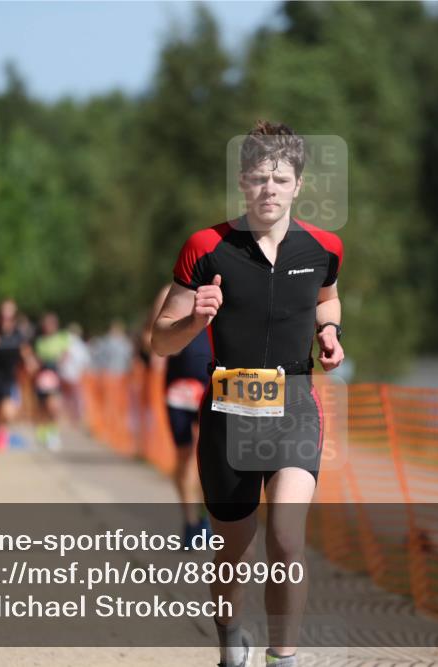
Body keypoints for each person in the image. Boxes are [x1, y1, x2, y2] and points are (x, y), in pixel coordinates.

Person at [152, 121, 344, 667]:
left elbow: (327, 300)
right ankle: (231, 637)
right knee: (235, 553)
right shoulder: (206, 247)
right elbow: (160, 341)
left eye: (280, 178)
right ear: (242, 181)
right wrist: (194, 320)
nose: (269, 189)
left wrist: (330, 333)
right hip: (228, 414)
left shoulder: (323, 247)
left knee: (287, 537)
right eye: (259, 178)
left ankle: (282, 657)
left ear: (298, 184)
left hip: (294, 407)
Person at [146, 284, 213, 545]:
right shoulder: (168, 293)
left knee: (211, 456)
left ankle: (207, 517)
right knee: (184, 456)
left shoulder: (226, 284)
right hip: (178, 386)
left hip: (213, 383)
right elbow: (153, 338)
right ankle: (191, 523)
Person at [0, 299, 38, 474]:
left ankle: (3, 430)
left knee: (8, 412)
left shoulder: (19, 336)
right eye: (3, 316)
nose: (6, 319)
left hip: (9, 380)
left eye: (10, 316)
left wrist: (31, 362)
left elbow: (28, 355)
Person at [32, 312, 70, 450]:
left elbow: (66, 355)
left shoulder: (62, 339)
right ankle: (43, 432)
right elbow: (36, 359)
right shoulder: (39, 341)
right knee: (43, 406)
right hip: (42, 377)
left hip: (55, 377)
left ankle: (53, 433)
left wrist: (59, 360)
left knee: (54, 406)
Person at [58, 322, 91, 424]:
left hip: (66, 374)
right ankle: (75, 417)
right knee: (75, 397)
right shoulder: (79, 345)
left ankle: (68, 416)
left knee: (66, 397)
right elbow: (85, 361)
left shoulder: (65, 342)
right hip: (74, 375)